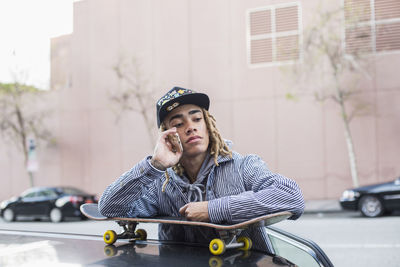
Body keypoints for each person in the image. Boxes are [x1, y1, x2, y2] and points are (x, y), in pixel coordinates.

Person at [99, 87, 305, 253]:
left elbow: (292, 196)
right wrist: (155, 165)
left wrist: (212, 209)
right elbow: (109, 207)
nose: (191, 127)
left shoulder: (244, 166)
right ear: (168, 136)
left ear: (208, 125)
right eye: (179, 123)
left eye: (197, 119)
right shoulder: (161, 185)